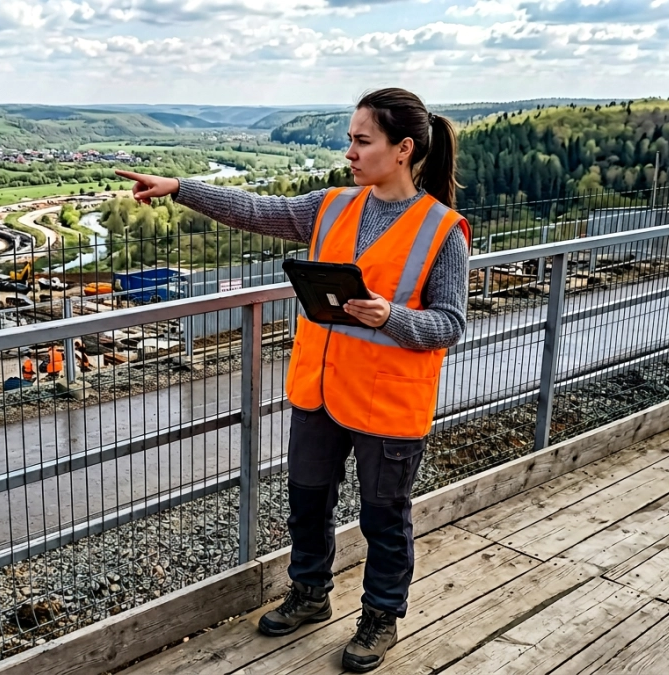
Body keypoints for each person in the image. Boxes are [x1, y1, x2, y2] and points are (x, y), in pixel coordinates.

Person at [115, 88, 469, 673]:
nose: (350, 152)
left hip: (388, 401)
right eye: (350, 139)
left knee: (385, 517)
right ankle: (310, 594)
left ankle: (380, 619)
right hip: (319, 391)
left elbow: (450, 323)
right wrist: (181, 189)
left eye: (362, 141)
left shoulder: (441, 230)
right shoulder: (330, 206)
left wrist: (393, 316)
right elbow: (255, 210)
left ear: (403, 149)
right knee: (307, 502)